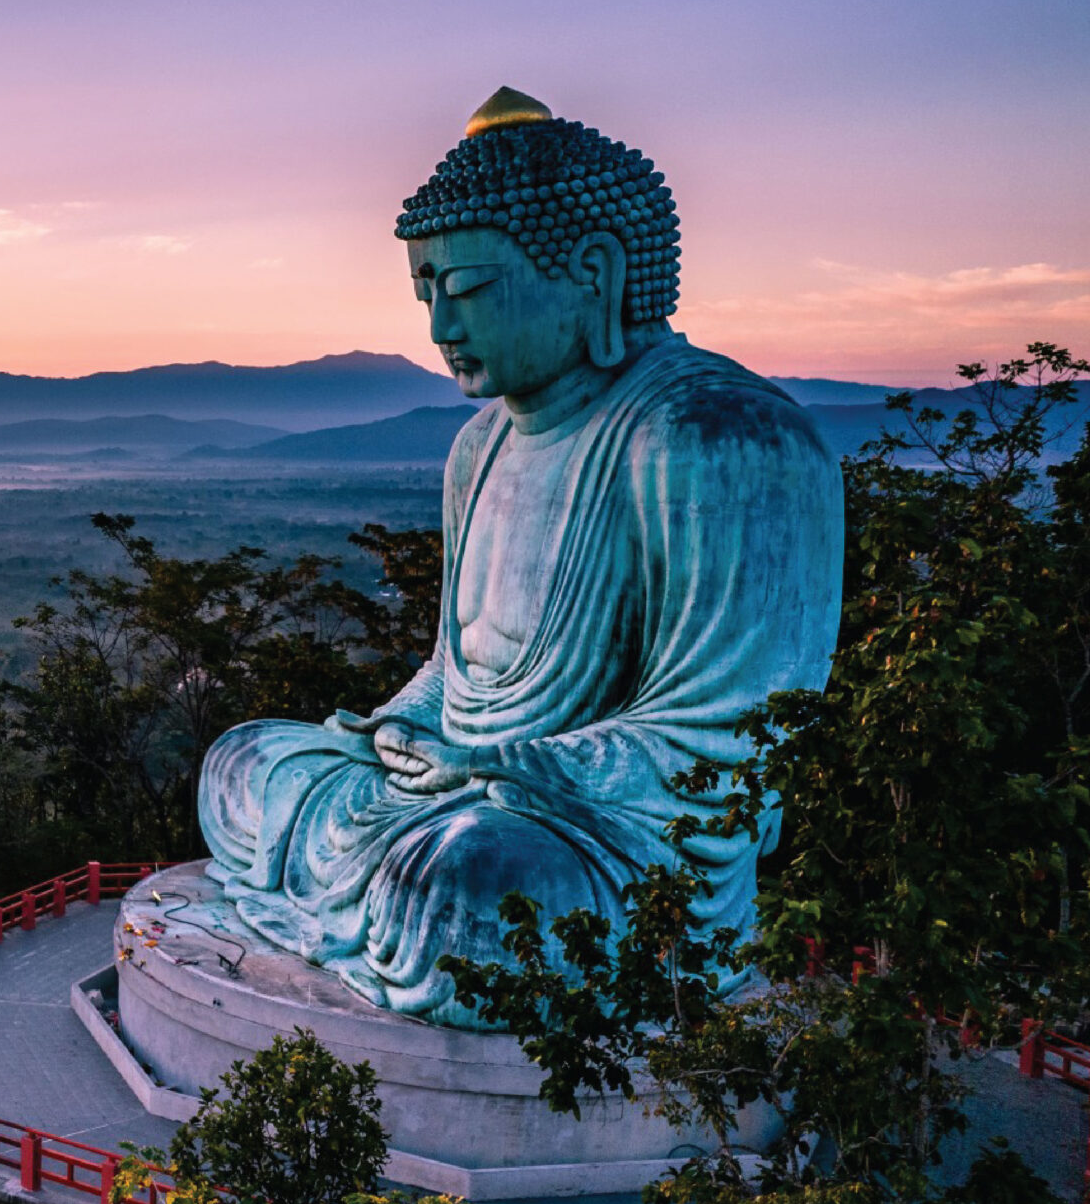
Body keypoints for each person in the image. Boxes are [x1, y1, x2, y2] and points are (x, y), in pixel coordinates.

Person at [197, 88, 842, 1024]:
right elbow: (459, 666)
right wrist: (392, 727)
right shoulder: (478, 449)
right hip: (461, 790)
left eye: (467, 292)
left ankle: (398, 898)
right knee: (242, 765)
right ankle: (386, 880)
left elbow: (731, 740)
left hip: (608, 836)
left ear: (592, 270)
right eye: (425, 296)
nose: (440, 332)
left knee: (466, 893)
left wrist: (498, 759)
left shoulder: (719, 438)